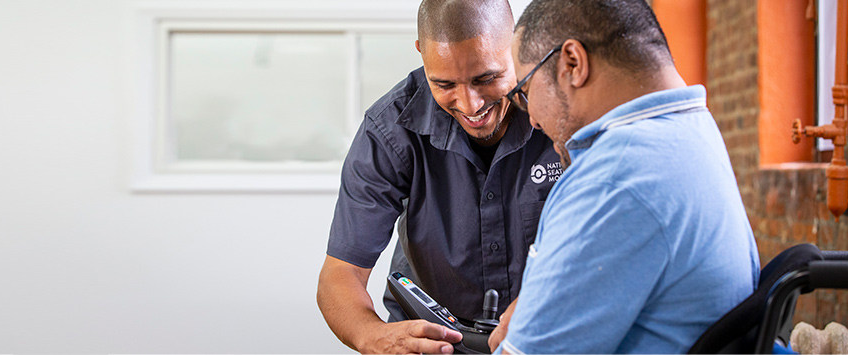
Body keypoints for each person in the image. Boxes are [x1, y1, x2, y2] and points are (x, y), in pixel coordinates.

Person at [487, 0, 762, 353]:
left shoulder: (614, 179)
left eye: (524, 92)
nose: (534, 120)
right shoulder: (689, 132)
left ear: (573, 63)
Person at [316, 0, 564, 353]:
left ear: (515, 42)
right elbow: (341, 274)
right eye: (445, 83)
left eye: (486, 78)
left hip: (548, 339)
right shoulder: (388, 131)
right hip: (430, 345)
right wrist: (372, 336)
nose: (470, 104)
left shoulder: (565, 107)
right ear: (421, 52)